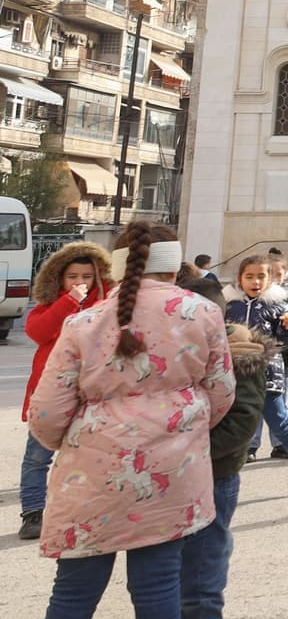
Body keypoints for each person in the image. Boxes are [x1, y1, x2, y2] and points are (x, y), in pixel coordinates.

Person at [29, 221, 236, 615]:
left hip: (91, 474)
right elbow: (221, 392)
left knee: (74, 592)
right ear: (175, 268)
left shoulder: (82, 323)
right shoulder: (203, 313)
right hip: (171, 471)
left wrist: (83, 439)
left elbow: (46, 413)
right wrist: (184, 425)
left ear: (117, 268)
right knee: (158, 583)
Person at [17, 241, 112, 542]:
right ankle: (32, 512)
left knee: (92, 458)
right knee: (36, 458)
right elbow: (38, 332)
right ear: (60, 278)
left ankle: (89, 512)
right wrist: (68, 302)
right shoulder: (49, 305)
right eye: (73, 277)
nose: (80, 282)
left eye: (86, 276)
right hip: (51, 396)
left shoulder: (108, 305)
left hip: (91, 396)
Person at [180, 321, 268, 619]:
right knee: (176, 567)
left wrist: (188, 453)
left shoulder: (241, 355)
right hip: (178, 476)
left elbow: (241, 424)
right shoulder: (182, 353)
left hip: (216, 474)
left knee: (204, 565)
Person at [225, 255, 288, 494]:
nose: (255, 281)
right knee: (230, 423)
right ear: (239, 279)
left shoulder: (277, 305)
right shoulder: (229, 305)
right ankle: (223, 473)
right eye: (249, 276)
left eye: (261, 276)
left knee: (278, 419)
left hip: (266, 373)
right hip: (234, 374)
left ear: (270, 279)